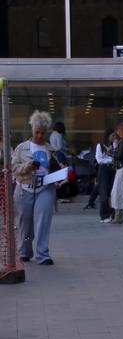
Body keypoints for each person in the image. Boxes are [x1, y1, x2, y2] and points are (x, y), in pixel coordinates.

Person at [11, 110, 60, 265]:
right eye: (37, 132)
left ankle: (42, 254)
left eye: (42, 133)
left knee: (43, 221)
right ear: (32, 129)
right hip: (24, 188)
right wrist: (27, 166)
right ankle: (24, 251)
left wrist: (61, 172)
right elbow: (14, 168)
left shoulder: (51, 149)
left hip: (45, 187)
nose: (39, 135)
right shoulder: (21, 148)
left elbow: (57, 168)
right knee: (25, 223)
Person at [95, 129, 116, 223]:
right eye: (112, 136)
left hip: (112, 169)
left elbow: (116, 156)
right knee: (103, 191)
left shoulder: (114, 145)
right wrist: (110, 160)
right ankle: (104, 215)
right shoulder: (100, 145)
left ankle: (112, 213)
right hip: (103, 169)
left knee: (113, 191)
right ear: (108, 136)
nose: (114, 138)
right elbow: (99, 160)